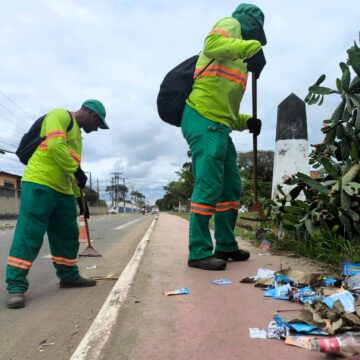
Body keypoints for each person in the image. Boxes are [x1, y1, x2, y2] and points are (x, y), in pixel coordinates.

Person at [181, 4, 267, 270]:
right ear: (250, 23)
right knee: (209, 183)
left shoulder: (238, 62)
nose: (256, 38)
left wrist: (246, 121)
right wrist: (251, 49)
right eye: (256, 33)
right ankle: (198, 251)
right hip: (202, 117)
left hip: (219, 124)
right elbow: (211, 43)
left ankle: (226, 245)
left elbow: (227, 111)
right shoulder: (232, 25)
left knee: (230, 187)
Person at [6, 99, 109, 308]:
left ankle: (68, 276)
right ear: (92, 115)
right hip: (39, 182)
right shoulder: (59, 115)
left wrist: (78, 197)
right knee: (29, 233)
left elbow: (70, 169)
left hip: (63, 190)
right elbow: (54, 147)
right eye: (98, 125)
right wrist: (77, 170)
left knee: (68, 234)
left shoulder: (78, 137)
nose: (96, 129)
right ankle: (16, 286)